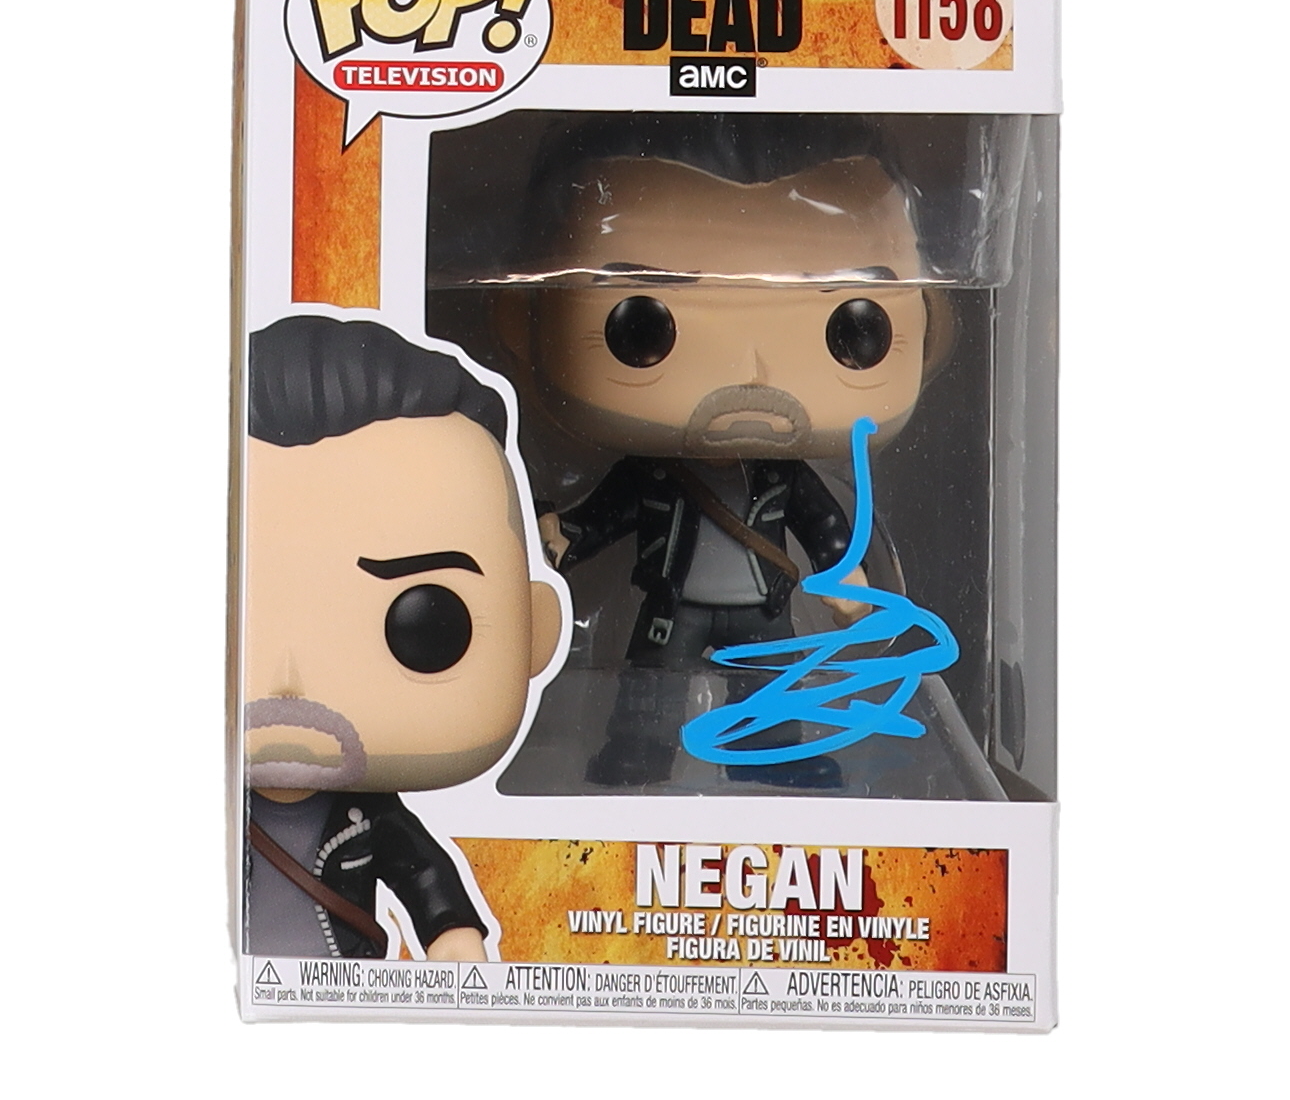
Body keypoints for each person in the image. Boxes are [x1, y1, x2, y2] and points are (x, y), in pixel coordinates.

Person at [501, 114, 943, 789]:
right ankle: (637, 753)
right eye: (642, 326)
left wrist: (844, 576)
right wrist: (564, 538)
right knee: (651, 684)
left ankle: (770, 751)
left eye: (854, 327)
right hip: (673, 602)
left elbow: (823, 524)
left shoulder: (780, 475)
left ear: (933, 326)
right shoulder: (655, 472)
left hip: (760, 604)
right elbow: (608, 512)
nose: (752, 368)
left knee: (767, 677)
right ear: (522, 319)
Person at [242, 315, 564, 958]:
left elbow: (422, 872)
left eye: (425, 625)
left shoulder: (372, 817)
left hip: (351, 994)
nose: (288, 676)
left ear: (536, 632)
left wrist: (451, 930)